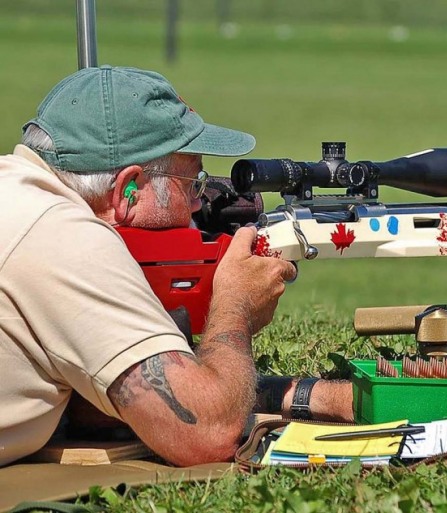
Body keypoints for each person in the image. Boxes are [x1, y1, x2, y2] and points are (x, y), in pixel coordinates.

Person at [0, 65, 352, 467]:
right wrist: (234, 306)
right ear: (127, 190)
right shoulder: (64, 238)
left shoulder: (19, 198)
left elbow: (109, 401)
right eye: (194, 184)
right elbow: (206, 433)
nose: (203, 203)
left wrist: (324, 398)